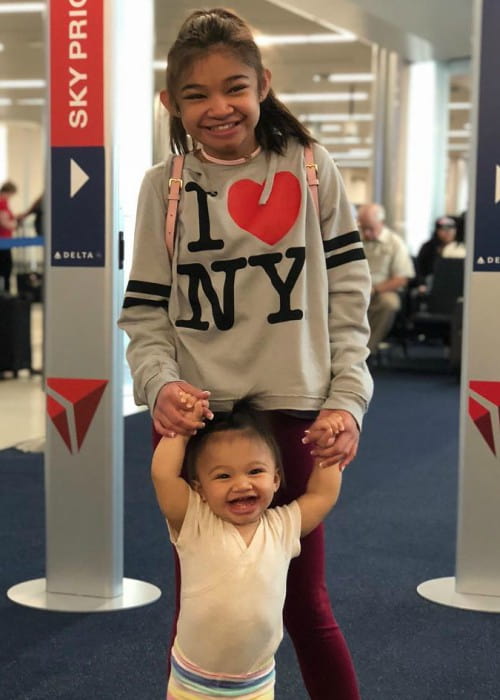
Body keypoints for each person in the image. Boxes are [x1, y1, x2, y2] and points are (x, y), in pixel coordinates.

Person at [118, 8, 373, 698]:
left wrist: (347, 399)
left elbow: (350, 297)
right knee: (202, 597)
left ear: (264, 83)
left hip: (297, 414)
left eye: (234, 87)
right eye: (196, 95)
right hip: (199, 424)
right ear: (170, 104)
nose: (218, 108)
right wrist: (159, 386)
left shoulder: (311, 167)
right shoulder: (162, 188)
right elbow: (144, 311)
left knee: (303, 604)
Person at [152, 394, 344, 698]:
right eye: (223, 476)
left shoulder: (282, 527)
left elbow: (322, 495)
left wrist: (327, 447)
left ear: (277, 479)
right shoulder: (195, 522)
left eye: (255, 471)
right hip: (192, 685)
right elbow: (163, 475)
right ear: (199, 488)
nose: (242, 484)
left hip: (255, 687)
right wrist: (183, 427)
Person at [358, 202, 415, 354]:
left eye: (370, 228)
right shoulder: (354, 239)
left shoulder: (395, 243)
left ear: (381, 223)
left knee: (390, 303)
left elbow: (401, 278)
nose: (367, 233)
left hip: (379, 291)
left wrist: (374, 290)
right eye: (363, 228)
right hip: (353, 290)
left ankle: (366, 351)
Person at [416, 215, 462, 289]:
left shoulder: (461, 248)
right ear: (437, 231)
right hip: (432, 284)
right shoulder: (428, 247)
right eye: (444, 229)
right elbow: (419, 268)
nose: (448, 232)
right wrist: (421, 284)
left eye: (451, 229)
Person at [0, 180, 19, 293]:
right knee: (6, 268)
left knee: (5, 268)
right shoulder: (2, 203)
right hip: (3, 241)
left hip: (6, 240)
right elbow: (4, 222)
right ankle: (5, 293)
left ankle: (5, 292)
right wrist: (15, 224)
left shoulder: (4, 203)